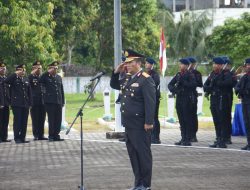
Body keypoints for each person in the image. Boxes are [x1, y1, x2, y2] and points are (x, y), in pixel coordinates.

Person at [110, 49, 156, 190]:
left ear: (137, 63)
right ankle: (138, 183)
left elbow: (150, 102)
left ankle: (145, 185)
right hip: (129, 125)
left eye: (129, 63)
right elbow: (114, 85)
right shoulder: (127, 77)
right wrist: (116, 72)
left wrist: (149, 122)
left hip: (141, 125)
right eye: (126, 63)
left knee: (143, 154)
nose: (126, 65)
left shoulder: (145, 79)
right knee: (133, 155)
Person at [203, 56, 233, 148]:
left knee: (222, 120)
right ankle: (218, 138)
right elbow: (205, 85)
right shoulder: (213, 74)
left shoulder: (226, 74)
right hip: (214, 98)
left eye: (216, 64)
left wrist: (217, 82)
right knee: (216, 120)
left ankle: (223, 140)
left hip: (222, 98)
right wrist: (210, 88)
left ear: (220, 65)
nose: (214, 66)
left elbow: (228, 84)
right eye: (214, 64)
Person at [168, 58, 197, 146]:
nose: (180, 66)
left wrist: (183, 82)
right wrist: (176, 90)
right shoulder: (178, 74)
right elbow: (170, 84)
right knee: (181, 119)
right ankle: (183, 137)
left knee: (186, 119)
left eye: (181, 64)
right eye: (180, 64)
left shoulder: (190, 74)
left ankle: (187, 138)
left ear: (186, 65)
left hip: (187, 99)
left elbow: (193, 85)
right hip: (180, 98)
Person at [5, 64, 32, 143]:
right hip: (16, 104)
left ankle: (22, 137)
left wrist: (30, 103)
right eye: (20, 70)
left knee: (24, 121)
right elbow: (6, 81)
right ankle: (17, 138)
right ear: (17, 71)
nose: (22, 71)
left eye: (23, 70)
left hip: (25, 104)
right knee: (17, 121)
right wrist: (15, 74)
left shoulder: (26, 79)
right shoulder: (13, 79)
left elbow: (29, 92)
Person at [40, 61, 65, 141]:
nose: (55, 69)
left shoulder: (58, 77)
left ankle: (56, 135)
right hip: (50, 102)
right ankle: (51, 136)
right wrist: (47, 72)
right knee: (52, 119)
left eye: (56, 68)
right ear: (50, 69)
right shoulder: (46, 77)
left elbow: (61, 90)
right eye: (54, 68)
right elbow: (40, 79)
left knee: (58, 119)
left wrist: (62, 101)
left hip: (58, 101)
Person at [28, 61, 47, 140]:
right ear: (33, 68)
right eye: (37, 67)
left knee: (42, 119)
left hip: (42, 101)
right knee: (35, 119)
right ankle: (36, 135)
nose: (39, 69)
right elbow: (28, 80)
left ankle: (41, 135)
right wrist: (33, 73)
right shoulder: (31, 77)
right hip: (34, 101)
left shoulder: (42, 77)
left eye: (40, 68)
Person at [235, 58, 250, 150]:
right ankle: (249, 143)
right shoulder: (244, 77)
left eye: (249, 65)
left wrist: (242, 90)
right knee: (247, 123)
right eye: (247, 65)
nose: (248, 67)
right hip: (245, 102)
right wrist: (241, 91)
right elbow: (237, 87)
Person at [145, 57, 161, 144]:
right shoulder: (144, 73)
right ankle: (149, 136)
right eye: (146, 63)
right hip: (147, 99)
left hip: (154, 99)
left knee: (155, 118)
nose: (146, 65)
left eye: (148, 63)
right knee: (149, 118)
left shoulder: (155, 75)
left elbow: (154, 85)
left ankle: (156, 137)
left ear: (152, 65)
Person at [187, 57, 203, 142]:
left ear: (193, 64)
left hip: (192, 96)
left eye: (190, 63)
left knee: (193, 115)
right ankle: (186, 134)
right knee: (185, 116)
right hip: (184, 96)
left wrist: (192, 80)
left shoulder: (197, 73)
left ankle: (193, 134)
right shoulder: (183, 73)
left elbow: (200, 84)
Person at [0, 62, 11, 143]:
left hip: (6, 103)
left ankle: (4, 137)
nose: (3, 70)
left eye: (4, 68)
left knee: (5, 121)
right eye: (1, 68)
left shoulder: (6, 79)